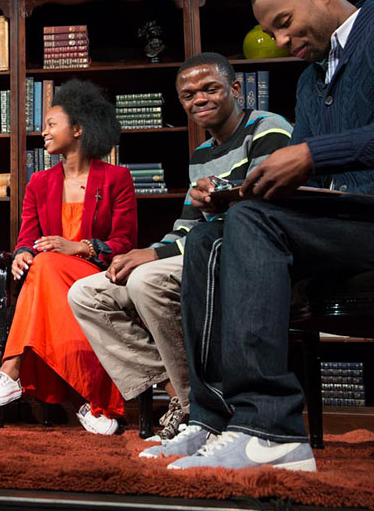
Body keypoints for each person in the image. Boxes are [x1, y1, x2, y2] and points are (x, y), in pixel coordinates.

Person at [145, 0, 374, 472]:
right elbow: (304, 178)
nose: (278, 41)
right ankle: (215, 418)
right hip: (338, 225)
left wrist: (315, 154)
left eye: (283, 23)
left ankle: (271, 430)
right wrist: (233, 191)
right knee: (213, 235)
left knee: (253, 223)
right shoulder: (309, 80)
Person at [68, 53, 292, 440]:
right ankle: (182, 394)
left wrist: (153, 256)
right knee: (87, 293)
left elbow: (265, 207)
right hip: (199, 250)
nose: (199, 100)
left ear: (235, 89)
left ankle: (199, 414)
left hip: (245, 252)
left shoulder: (268, 126)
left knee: (147, 282)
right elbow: (186, 228)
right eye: (188, 95)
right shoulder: (201, 156)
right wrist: (145, 252)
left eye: (210, 89)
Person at [0, 79, 137, 434]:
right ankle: (93, 405)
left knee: (44, 268)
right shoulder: (39, 183)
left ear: (77, 129)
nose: (42, 132)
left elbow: (124, 242)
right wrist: (20, 254)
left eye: (50, 125)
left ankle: (11, 371)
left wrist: (79, 247)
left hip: (98, 276)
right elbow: (28, 238)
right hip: (50, 279)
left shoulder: (117, 179)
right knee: (41, 265)